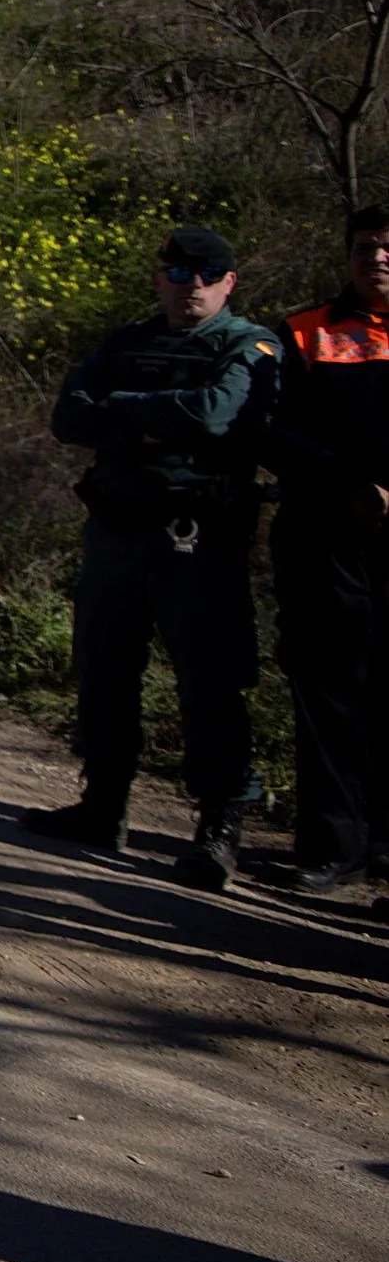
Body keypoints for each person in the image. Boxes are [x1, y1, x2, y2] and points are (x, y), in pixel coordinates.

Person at [25, 227, 279, 891]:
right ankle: (102, 805)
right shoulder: (126, 341)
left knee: (209, 680)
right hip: (116, 527)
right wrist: (151, 418)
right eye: (176, 269)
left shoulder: (246, 344)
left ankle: (219, 827)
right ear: (157, 277)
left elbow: (216, 413)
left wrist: (124, 410)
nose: (188, 281)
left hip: (195, 536)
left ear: (228, 281)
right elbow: (68, 416)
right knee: (103, 666)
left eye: (205, 271)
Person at [263, 207, 389, 897]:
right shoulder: (306, 330)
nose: (377, 258)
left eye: (387, 248)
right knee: (328, 689)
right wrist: (348, 485)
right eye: (366, 247)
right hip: (324, 536)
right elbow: (272, 430)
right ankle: (330, 845)